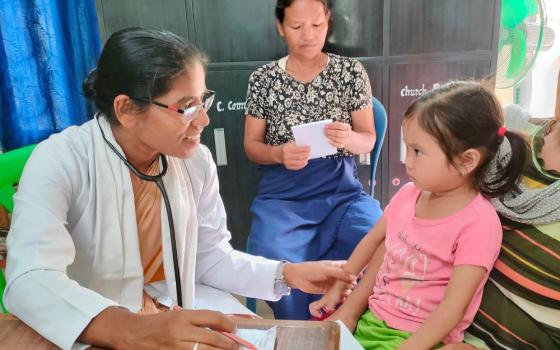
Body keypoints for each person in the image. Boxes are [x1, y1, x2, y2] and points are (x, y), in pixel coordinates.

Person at [3, 27, 356, 350]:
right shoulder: (61, 160)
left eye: (203, 100)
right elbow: (30, 279)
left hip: (176, 307)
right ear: (127, 109)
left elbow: (209, 256)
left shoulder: (194, 162)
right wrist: (130, 328)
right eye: (186, 107)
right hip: (92, 326)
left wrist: (287, 273)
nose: (203, 119)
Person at [309, 81, 530, 349]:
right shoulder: (408, 195)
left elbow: (452, 309)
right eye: (407, 148)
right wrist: (341, 284)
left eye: (418, 151)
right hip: (372, 322)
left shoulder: (479, 224)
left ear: (466, 160)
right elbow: (373, 240)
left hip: (420, 340)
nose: (407, 161)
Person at [243, 0, 383, 320]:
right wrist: (278, 153)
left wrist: (349, 138)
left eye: (317, 25)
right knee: (277, 257)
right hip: (284, 194)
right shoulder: (263, 79)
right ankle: (301, 330)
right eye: (296, 27)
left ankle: (348, 321)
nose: (308, 35)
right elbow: (252, 146)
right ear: (280, 27)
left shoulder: (349, 72)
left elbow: (368, 138)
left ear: (328, 22)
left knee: (375, 236)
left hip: (341, 190)